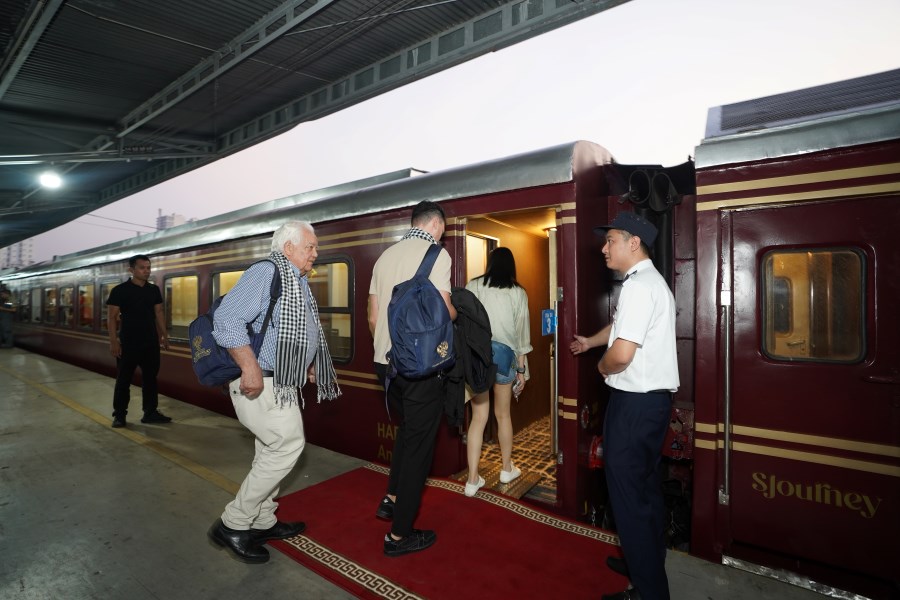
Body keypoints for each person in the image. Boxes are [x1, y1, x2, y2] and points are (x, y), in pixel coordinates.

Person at [207, 220, 341, 564]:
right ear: (289, 248)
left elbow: (292, 330)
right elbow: (227, 319)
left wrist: (308, 363)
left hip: (280, 382)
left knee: (269, 448)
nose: (316, 253)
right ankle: (233, 523)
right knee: (288, 445)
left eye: (315, 247)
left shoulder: (297, 281)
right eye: (310, 246)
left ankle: (262, 519)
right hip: (260, 382)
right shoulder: (267, 273)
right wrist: (250, 367)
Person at [569, 212, 679, 600]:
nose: (604, 247)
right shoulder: (648, 283)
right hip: (650, 407)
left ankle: (647, 591)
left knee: (629, 499)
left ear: (633, 243)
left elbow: (622, 353)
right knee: (645, 489)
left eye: (611, 239)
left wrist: (601, 367)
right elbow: (619, 330)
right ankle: (643, 559)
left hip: (635, 406)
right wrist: (590, 342)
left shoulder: (638, 287)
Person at [367, 200, 457, 557]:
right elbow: (444, 311)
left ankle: (390, 498)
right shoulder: (438, 255)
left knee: (407, 432)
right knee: (420, 446)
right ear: (436, 225)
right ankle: (400, 536)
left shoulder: (384, 257)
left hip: (384, 364)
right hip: (419, 366)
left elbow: (374, 319)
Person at [463, 247, 532, 496]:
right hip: (505, 357)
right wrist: (521, 370)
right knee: (502, 415)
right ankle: (506, 469)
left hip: (478, 359)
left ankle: (472, 480)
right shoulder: (517, 292)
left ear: (489, 264)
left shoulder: (473, 285)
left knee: (478, 418)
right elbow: (521, 335)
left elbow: (462, 322)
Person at [107, 255, 170, 428]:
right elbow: (111, 317)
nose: (146, 271)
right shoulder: (120, 290)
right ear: (131, 270)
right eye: (142, 268)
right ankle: (119, 415)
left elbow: (158, 313)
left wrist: (164, 335)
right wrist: (114, 341)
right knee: (123, 380)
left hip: (150, 342)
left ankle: (150, 413)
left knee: (150, 379)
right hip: (128, 343)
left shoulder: (153, 290)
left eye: (148, 267)